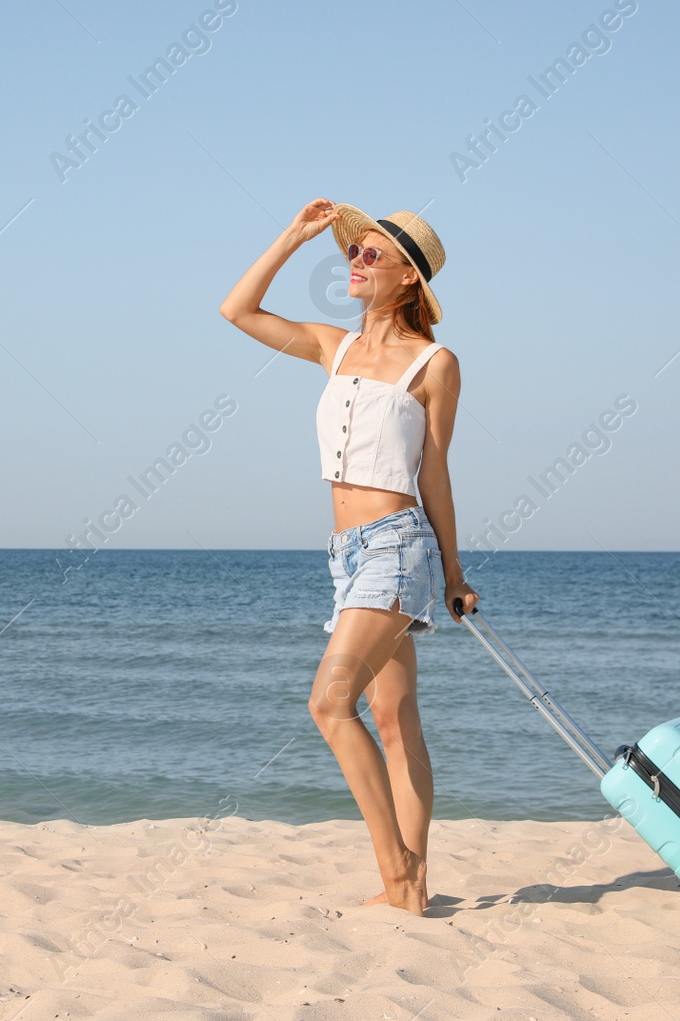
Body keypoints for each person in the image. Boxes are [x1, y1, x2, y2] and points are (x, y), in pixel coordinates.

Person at [219, 198, 478, 915]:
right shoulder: (332, 347)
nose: (355, 262)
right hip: (346, 554)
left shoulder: (434, 363)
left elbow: (435, 474)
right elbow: (237, 310)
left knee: (330, 703)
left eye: (372, 255)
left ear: (408, 281)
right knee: (393, 720)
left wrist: (454, 574)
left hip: (398, 547)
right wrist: (295, 236)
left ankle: (398, 873)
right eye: (352, 252)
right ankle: (416, 886)